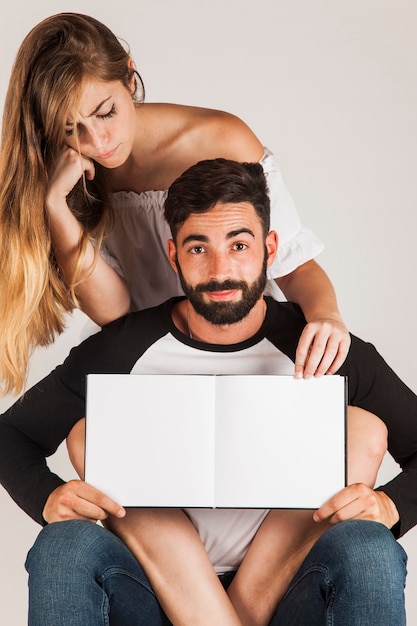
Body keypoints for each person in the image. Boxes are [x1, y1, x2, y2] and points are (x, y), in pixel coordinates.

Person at [0, 158, 413, 625]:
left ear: (270, 249)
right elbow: (11, 436)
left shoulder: (322, 345)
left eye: (239, 245)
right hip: (154, 591)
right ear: (174, 255)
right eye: (199, 249)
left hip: (294, 589)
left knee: (370, 540)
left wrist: (391, 505)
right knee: (65, 538)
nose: (221, 270)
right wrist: (47, 498)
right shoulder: (121, 351)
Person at [0, 11, 350, 398]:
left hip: (244, 349)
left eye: (106, 113)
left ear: (130, 78)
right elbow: (115, 312)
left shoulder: (221, 139)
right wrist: (55, 207)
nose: (98, 142)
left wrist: (327, 316)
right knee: (84, 440)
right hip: (152, 360)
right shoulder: (70, 173)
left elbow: (291, 263)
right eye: (71, 129)